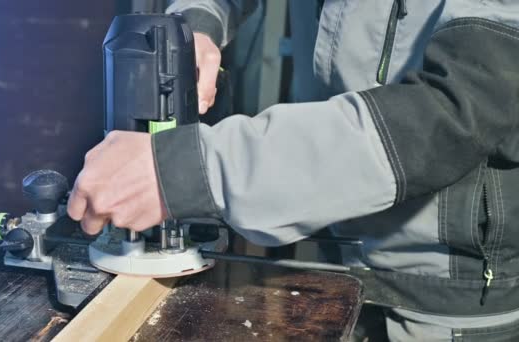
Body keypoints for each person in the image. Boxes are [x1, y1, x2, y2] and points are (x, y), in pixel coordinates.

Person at [67, 1, 519, 340]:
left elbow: (452, 115)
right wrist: (198, 23)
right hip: (335, 253)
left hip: (447, 304)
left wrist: (188, 170)